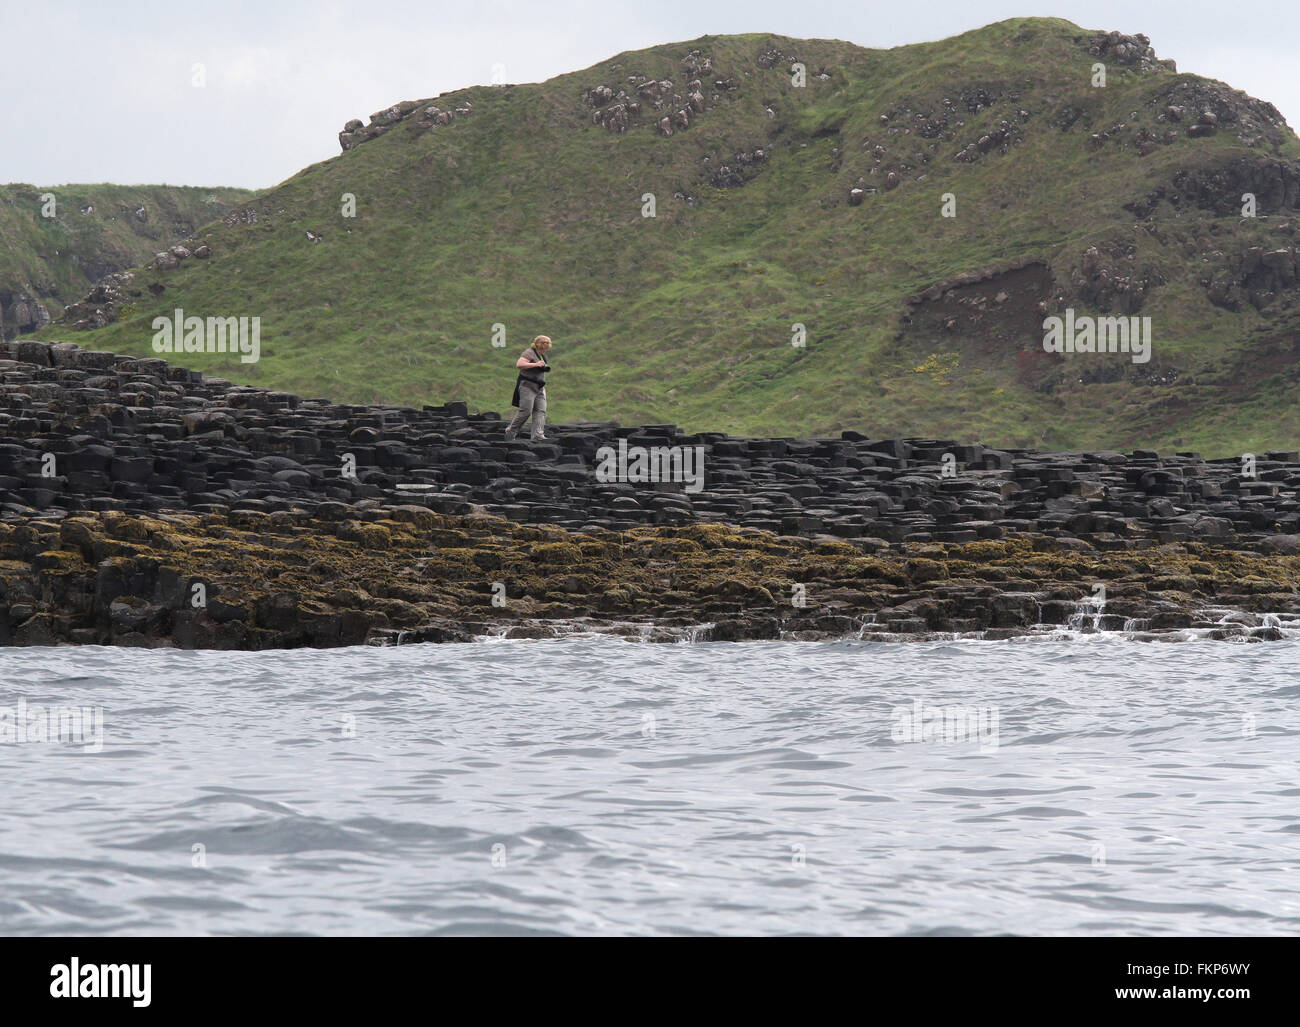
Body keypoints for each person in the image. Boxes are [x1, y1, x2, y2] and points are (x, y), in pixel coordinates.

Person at [504, 335, 552, 441]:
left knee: (540, 410)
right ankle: (511, 431)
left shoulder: (542, 356)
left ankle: (538, 435)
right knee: (526, 410)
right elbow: (519, 364)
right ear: (538, 344)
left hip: (539, 387)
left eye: (547, 346)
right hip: (527, 385)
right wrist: (535, 364)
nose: (545, 349)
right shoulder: (529, 352)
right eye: (544, 346)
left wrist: (543, 387)